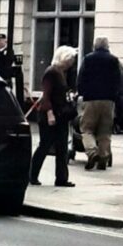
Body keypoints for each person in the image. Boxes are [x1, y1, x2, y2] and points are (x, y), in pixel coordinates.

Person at [74, 36, 123, 172]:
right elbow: (118, 80)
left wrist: (81, 93)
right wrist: (115, 96)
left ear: (94, 46)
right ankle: (103, 159)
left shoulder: (88, 59)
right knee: (105, 132)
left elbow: (80, 79)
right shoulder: (114, 60)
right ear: (107, 46)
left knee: (87, 129)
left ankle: (92, 152)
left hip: (90, 99)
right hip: (108, 101)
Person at [28, 45, 78, 187]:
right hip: (51, 115)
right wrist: (50, 113)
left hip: (61, 115)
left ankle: (61, 178)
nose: (72, 63)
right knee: (45, 145)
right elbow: (46, 95)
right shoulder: (52, 72)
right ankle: (32, 174)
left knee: (62, 147)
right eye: (70, 59)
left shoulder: (61, 72)